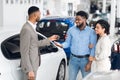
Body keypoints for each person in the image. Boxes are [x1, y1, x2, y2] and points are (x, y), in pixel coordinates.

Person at [55, 11, 97, 80]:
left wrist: (89, 63)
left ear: (85, 19)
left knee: (87, 78)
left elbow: (93, 49)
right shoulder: (71, 30)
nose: (76, 21)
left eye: (78, 19)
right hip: (73, 60)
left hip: (85, 60)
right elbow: (67, 43)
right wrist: (61, 45)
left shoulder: (91, 32)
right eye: (76, 19)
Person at [20, 6, 59, 80]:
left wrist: (50, 39)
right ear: (35, 15)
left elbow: (34, 44)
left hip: (33, 65)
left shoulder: (31, 27)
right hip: (30, 67)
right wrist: (29, 70)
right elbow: (24, 51)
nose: (40, 16)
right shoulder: (26, 29)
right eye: (39, 14)